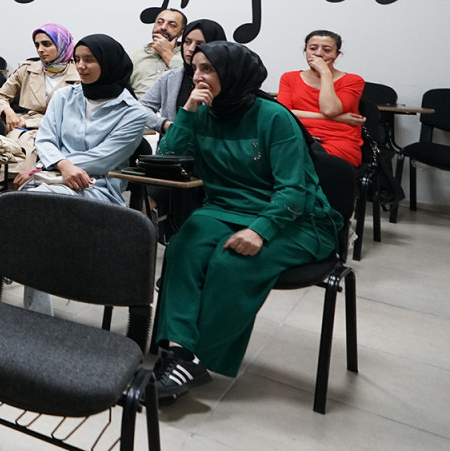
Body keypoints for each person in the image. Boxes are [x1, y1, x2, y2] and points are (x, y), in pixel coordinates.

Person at [151, 41, 343, 401]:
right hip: (224, 208)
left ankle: (192, 359)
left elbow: (294, 191)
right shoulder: (201, 111)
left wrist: (260, 231)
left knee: (230, 262)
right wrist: (187, 113)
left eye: (208, 69)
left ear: (232, 74)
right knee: (182, 246)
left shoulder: (273, 117)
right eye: (195, 69)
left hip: (296, 219)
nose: (198, 77)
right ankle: (180, 352)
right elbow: (169, 159)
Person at [0, 34, 148, 314]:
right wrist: (62, 166)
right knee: (33, 214)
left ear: (109, 63)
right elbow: (45, 139)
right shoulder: (64, 96)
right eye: (77, 59)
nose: (80, 66)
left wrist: (55, 166)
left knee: (27, 206)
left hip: (96, 188)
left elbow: (105, 158)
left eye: (89, 60)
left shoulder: (134, 112)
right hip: (51, 181)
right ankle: (16, 298)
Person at [276, 30, 366, 166]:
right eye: (312, 48)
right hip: (298, 136)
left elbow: (329, 110)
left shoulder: (353, 80)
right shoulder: (289, 78)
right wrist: (336, 118)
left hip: (337, 141)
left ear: (337, 55)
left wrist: (325, 72)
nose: (318, 53)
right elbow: (284, 113)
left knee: (302, 159)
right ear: (305, 51)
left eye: (327, 50)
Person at [139, 18, 228, 135]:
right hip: (174, 143)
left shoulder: (227, 79)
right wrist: (164, 124)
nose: (191, 49)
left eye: (200, 44)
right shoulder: (170, 77)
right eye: (187, 42)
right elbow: (140, 108)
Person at [0, 23, 81, 135]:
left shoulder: (81, 73)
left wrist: (29, 123)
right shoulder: (26, 70)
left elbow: (81, 114)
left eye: (46, 44)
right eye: (37, 45)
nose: (40, 50)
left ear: (62, 45)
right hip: (26, 130)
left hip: (66, 130)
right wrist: (8, 112)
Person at [129, 7, 186, 96]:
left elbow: (189, 81)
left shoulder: (187, 55)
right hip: (138, 103)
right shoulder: (136, 54)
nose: (163, 27)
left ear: (181, 33)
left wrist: (166, 53)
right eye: (159, 22)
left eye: (172, 25)